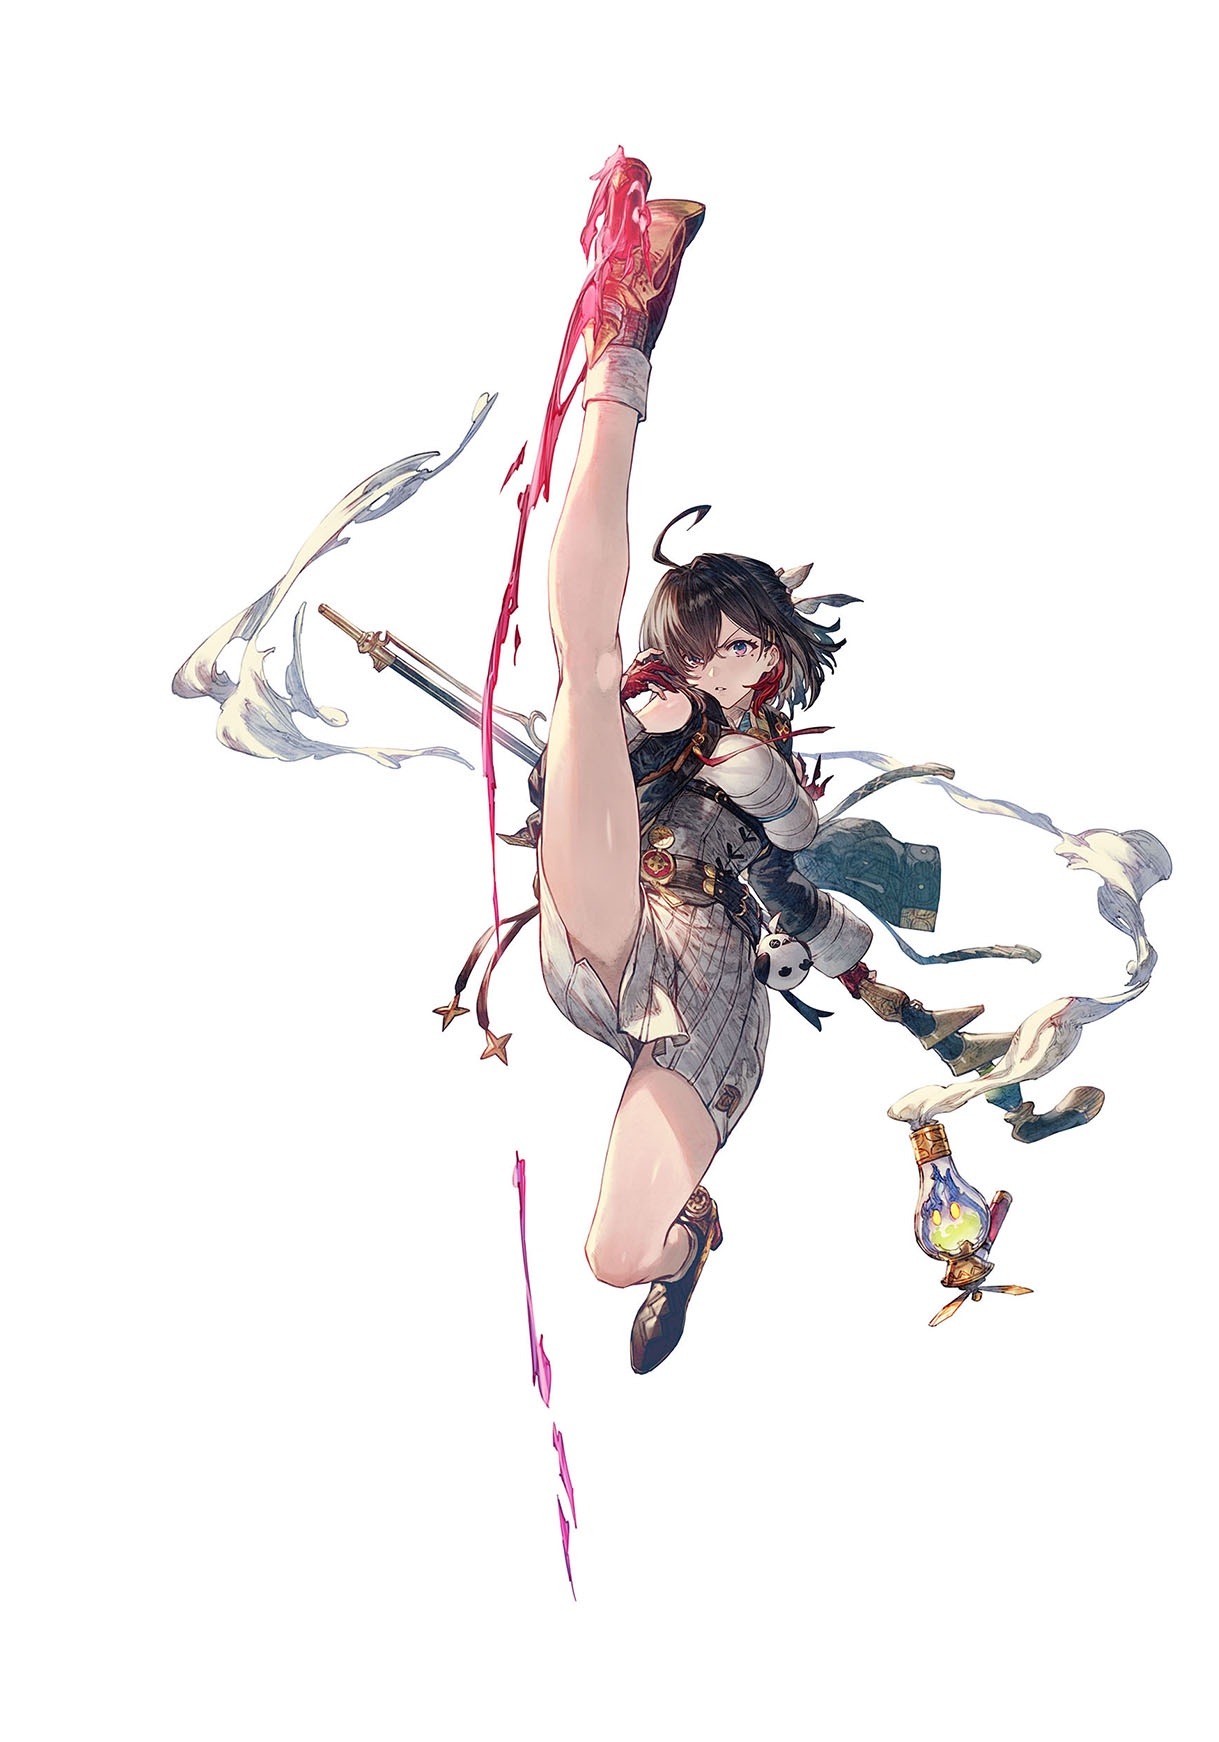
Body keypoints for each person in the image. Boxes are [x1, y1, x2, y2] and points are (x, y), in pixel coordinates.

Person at [535, 156, 871, 1374]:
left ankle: (687, 1241)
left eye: (744, 642)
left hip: (709, 985)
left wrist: (731, 760)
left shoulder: (762, 752)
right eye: (706, 642)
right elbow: (583, 771)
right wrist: (641, 724)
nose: (726, 659)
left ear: (773, 649)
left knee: (614, 1253)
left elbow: (797, 842)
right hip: (610, 922)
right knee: (583, 669)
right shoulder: (659, 700)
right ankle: (624, 334)